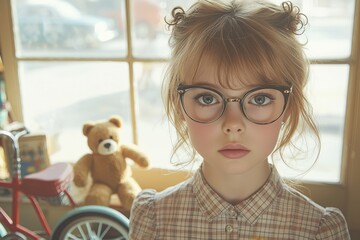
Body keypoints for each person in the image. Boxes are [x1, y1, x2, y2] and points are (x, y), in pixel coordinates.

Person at [129, 0, 351, 239]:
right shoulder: (152, 219)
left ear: (289, 105)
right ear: (179, 104)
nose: (233, 124)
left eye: (259, 99)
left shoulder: (320, 230)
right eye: (207, 98)